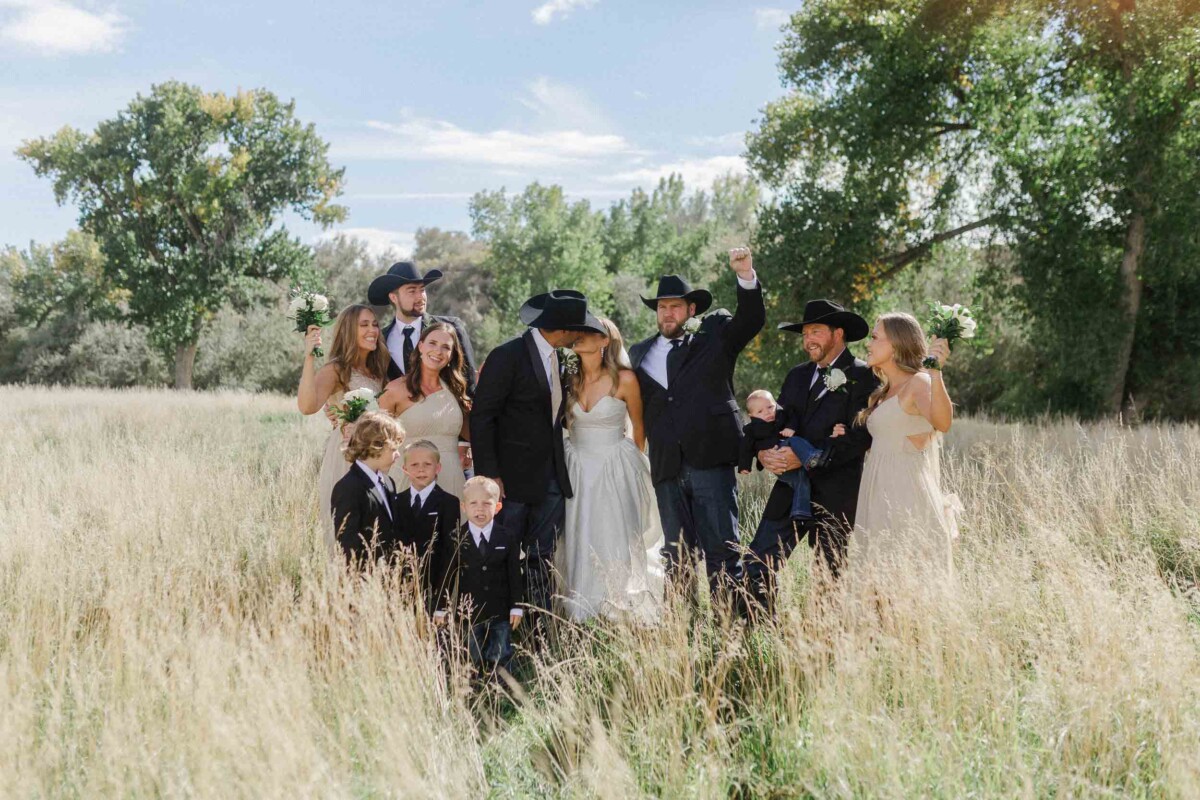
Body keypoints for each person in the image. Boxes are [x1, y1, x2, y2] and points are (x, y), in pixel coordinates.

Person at [627, 248, 764, 593]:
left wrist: (746, 274)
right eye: (661, 307)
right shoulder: (639, 352)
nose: (667, 313)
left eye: (675, 306)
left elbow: (750, 320)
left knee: (723, 552)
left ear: (691, 309)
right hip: (666, 468)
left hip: (711, 460)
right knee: (677, 558)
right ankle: (684, 637)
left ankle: (729, 628)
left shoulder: (714, 333)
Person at [469, 290, 603, 637]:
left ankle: (538, 631)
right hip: (511, 481)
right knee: (504, 557)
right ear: (561, 329)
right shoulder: (507, 356)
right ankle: (499, 633)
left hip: (551, 481)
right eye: (577, 329)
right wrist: (490, 477)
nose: (580, 335)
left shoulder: (559, 358)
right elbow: (483, 417)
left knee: (542, 559)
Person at [746, 299, 879, 601]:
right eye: (805, 334)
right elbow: (772, 422)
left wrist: (809, 457)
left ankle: (822, 645)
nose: (808, 341)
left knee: (829, 579)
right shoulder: (796, 375)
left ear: (838, 333)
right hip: (790, 491)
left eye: (816, 332)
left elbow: (860, 438)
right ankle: (766, 636)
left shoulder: (864, 376)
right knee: (757, 565)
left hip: (836, 494)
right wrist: (764, 453)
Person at [559, 317, 663, 623]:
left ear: (605, 341)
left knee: (614, 532)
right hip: (576, 466)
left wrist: (630, 466)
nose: (579, 337)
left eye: (588, 333)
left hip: (614, 466)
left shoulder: (625, 380)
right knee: (579, 531)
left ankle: (618, 606)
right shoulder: (571, 379)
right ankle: (581, 609)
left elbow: (639, 428)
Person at [843, 313, 957, 575]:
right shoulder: (881, 394)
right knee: (876, 576)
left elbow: (943, 422)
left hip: (905, 493)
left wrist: (936, 372)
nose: (868, 345)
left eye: (874, 337)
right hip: (876, 490)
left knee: (904, 572)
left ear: (896, 343)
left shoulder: (919, 382)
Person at [297, 305, 390, 554]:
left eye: (374, 324)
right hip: (346, 459)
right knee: (347, 537)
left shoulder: (380, 368)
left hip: (380, 460)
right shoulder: (337, 369)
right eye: (364, 325)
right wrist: (308, 357)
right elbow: (307, 406)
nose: (372, 330)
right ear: (349, 330)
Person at [432, 476, 524, 671]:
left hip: (500, 611)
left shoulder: (507, 537)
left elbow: (514, 574)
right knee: (471, 656)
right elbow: (447, 575)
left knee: (500, 654)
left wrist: (516, 606)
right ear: (464, 507)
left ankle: (499, 690)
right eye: (473, 503)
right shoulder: (456, 537)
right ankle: (472, 689)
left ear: (498, 507)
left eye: (486, 503)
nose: (480, 509)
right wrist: (440, 608)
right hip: (468, 613)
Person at [377, 323, 471, 499]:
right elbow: (378, 441)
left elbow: (475, 434)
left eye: (446, 347)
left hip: (450, 478)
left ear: (451, 356)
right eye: (432, 343)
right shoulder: (395, 390)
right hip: (408, 479)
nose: (438, 351)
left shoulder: (456, 392)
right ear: (420, 346)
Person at [738, 389, 828, 521]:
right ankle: (812, 457)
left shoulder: (782, 416)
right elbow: (745, 448)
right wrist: (744, 466)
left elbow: (793, 417)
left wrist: (790, 428)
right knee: (794, 441)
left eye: (770, 407)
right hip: (778, 465)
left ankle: (800, 512)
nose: (767, 412)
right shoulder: (752, 430)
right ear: (752, 415)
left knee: (801, 481)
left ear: (776, 404)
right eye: (760, 412)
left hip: (790, 457)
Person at [330, 411, 405, 567]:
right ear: (376, 445)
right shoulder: (348, 488)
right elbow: (347, 545)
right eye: (393, 449)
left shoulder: (388, 482)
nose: (398, 455)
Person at [393, 439, 461, 609]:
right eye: (414, 465)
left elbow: (450, 554)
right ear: (405, 469)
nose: (421, 469)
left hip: (433, 589)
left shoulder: (449, 503)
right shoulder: (395, 501)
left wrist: (442, 602)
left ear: (437, 468)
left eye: (427, 464)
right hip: (399, 588)